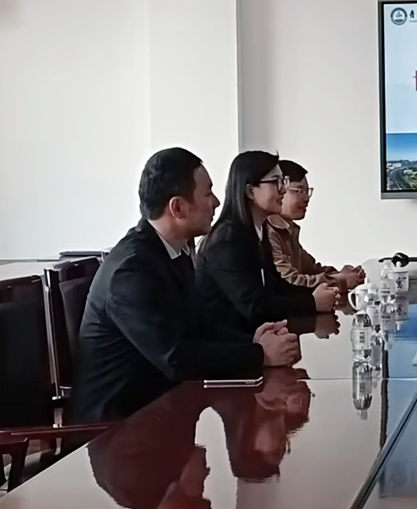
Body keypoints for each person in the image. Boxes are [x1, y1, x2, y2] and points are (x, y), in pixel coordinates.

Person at [73, 148, 301, 423]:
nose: (216, 202)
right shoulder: (132, 270)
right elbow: (176, 359)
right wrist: (260, 354)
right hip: (117, 428)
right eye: (207, 193)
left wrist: (253, 341)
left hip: (162, 412)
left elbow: (200, 328)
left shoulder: (173, 251)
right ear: (177, 208)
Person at [195, 151, 340, 337]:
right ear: (249, 191)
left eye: (283, 181)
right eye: (275, 182)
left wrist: (315, 293)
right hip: (228, 344)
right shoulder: (227, 240)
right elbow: (254, 307)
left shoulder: (258, 229)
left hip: (254, 337)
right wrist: (312, 302)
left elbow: (276, 286)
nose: (283, 190)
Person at [267, 159, 364, 291]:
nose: (306, 198)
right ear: (281, 190)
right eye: (299, 191)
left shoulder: (289, 230)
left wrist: (341, 274)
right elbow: (290, 281)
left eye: (307, 191)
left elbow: (312, 268)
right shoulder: (269, 232)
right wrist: (340, 280)